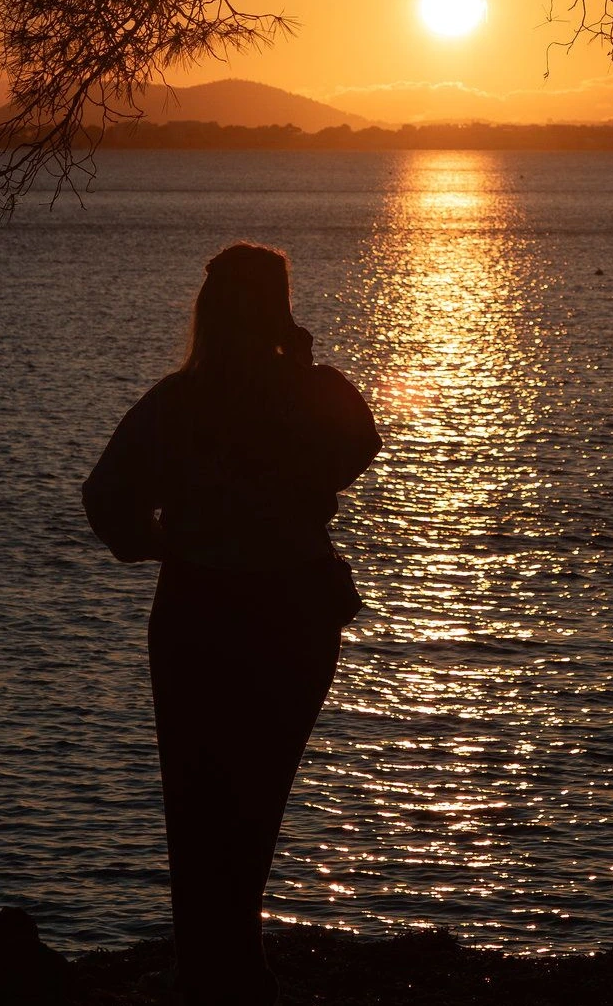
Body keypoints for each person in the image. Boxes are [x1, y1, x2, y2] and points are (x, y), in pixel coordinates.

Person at [82, 242, 382, 1006]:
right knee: (257, 796)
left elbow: (107, 499)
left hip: (202, 609)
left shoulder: (177, 404)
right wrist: (302, 365)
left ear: (209, 311)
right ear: (279, 309)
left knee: (197, 798)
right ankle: (234, 968)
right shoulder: (309, 395)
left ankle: (211, 970)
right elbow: (359, 442)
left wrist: (159, 541)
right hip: (294, 612)